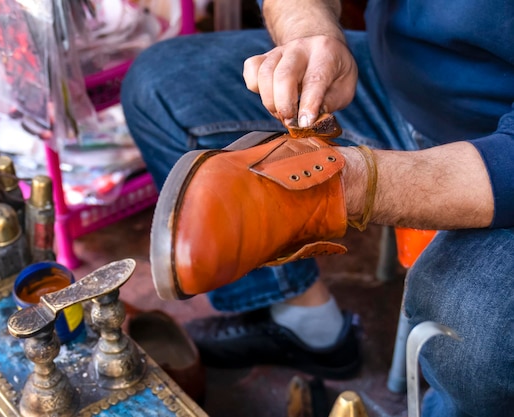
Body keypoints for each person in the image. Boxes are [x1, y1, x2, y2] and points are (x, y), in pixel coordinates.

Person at [120, 0, 514, 415]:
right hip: (406, 84)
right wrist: (308, 30)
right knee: (159, 85)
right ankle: (306, 325)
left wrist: (347, 186)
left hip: (495, 137)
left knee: (470, 323)